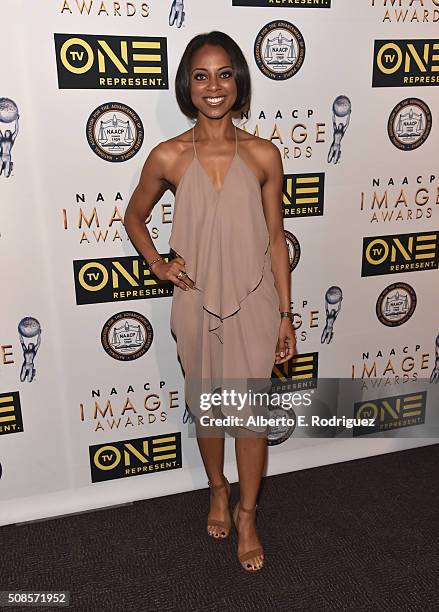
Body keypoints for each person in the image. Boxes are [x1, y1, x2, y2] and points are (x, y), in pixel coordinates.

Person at [124, 31, 296, 573]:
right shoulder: (169, 154)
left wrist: (287, 315)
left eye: (224, 74)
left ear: (239, 81)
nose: (214, 86)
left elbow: (275, 238)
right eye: (201, 76)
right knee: (208, 408)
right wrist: (158, 263)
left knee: (248, 417)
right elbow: (135, 216)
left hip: (254, 302)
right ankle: (217, 489)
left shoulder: (265, 153)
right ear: (187, 86)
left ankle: (247, 513)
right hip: (195, 303)